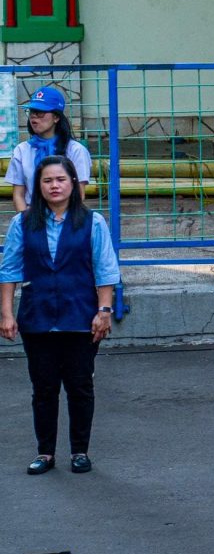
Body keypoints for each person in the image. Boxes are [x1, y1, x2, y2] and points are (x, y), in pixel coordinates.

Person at [0, 153, 117, 475]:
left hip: (80, 318)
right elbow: (9, 270)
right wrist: (7, 314)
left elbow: (105, 270)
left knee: (80, 387)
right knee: (44, 388)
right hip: (37, 319)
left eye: (61, 179)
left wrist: (104, 310)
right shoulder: (22, 223)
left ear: (72, 183)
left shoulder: (92, 221)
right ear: (38, 186)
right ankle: (45, 453)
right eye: (47, 180)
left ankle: (80, 450)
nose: (55, 186)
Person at [7, 84, 90, 213]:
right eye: (32, 112)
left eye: (40, 113)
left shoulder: (75, 150)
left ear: (56, 117)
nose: (34, 117)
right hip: (32, 218)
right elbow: (18, 195)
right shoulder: (21, 150)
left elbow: (79, 194)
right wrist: (26, 223)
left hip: (65, 219)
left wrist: (60, 223)